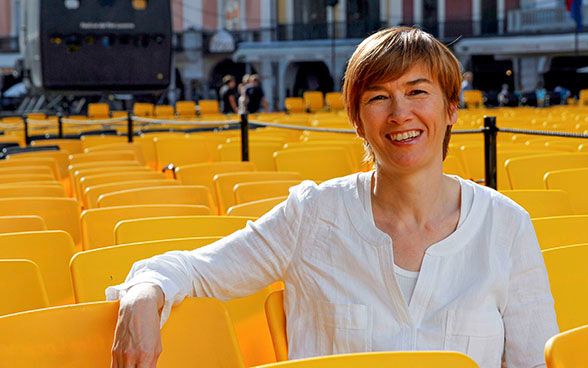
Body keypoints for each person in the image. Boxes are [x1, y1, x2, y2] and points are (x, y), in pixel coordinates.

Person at [108, 27, 558, 368]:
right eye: (378, 97)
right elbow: (193, 270)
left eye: (417, 92)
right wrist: (144, 293)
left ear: (451, 107)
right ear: (358, 121)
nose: (401, 113)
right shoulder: (313, 216)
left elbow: (533, 362)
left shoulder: (506, 225)